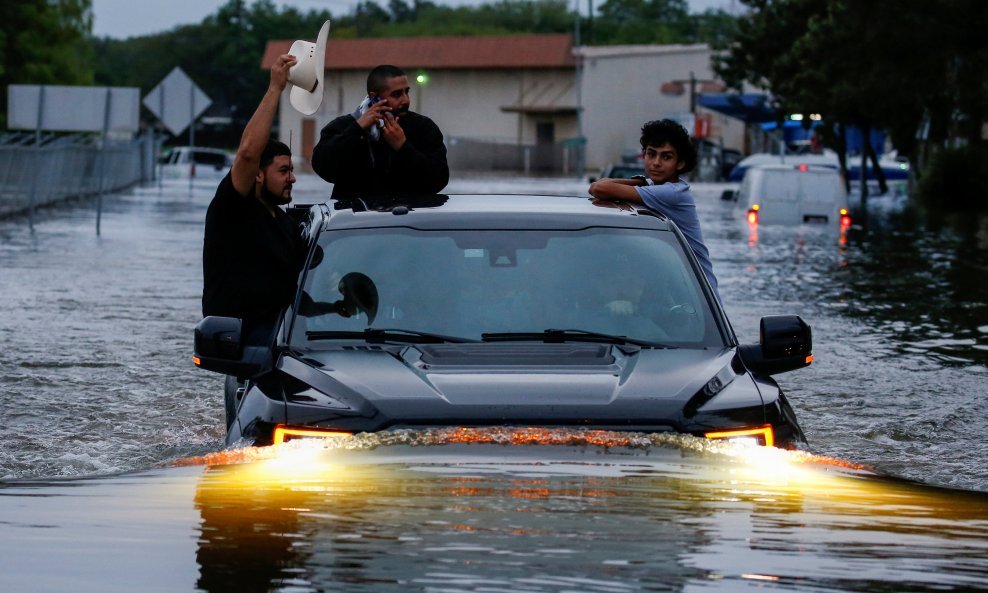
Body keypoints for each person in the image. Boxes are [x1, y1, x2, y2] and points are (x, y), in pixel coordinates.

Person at [202, 53, 307, 344]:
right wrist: (275, 89)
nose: (292, 179)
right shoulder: (233, 208)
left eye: (292, 170)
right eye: (283, 171)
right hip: (242, 342)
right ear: (257, 175)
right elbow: (248, 153)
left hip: (286, 338)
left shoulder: (286, 225)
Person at [588, 119, 720, 299]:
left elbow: (598, 188)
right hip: (678, 284)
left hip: (699, 292)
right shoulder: (657, 187)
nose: (656, 163)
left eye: (666, 157)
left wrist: (641, 182)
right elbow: (600, 185)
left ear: (680, 163)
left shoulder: (673, 193)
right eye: (651, 154)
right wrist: (642, 181)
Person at [311, 64, 449, 198]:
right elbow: (324, 168)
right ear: (374, 97)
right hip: (355, 217)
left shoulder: (423, 127)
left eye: (406, 92)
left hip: (408, 217)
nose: (405, 100)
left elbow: (438, 180)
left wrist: (403, 147)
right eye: (396, 94)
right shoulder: (342, 126)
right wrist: (357, 129)